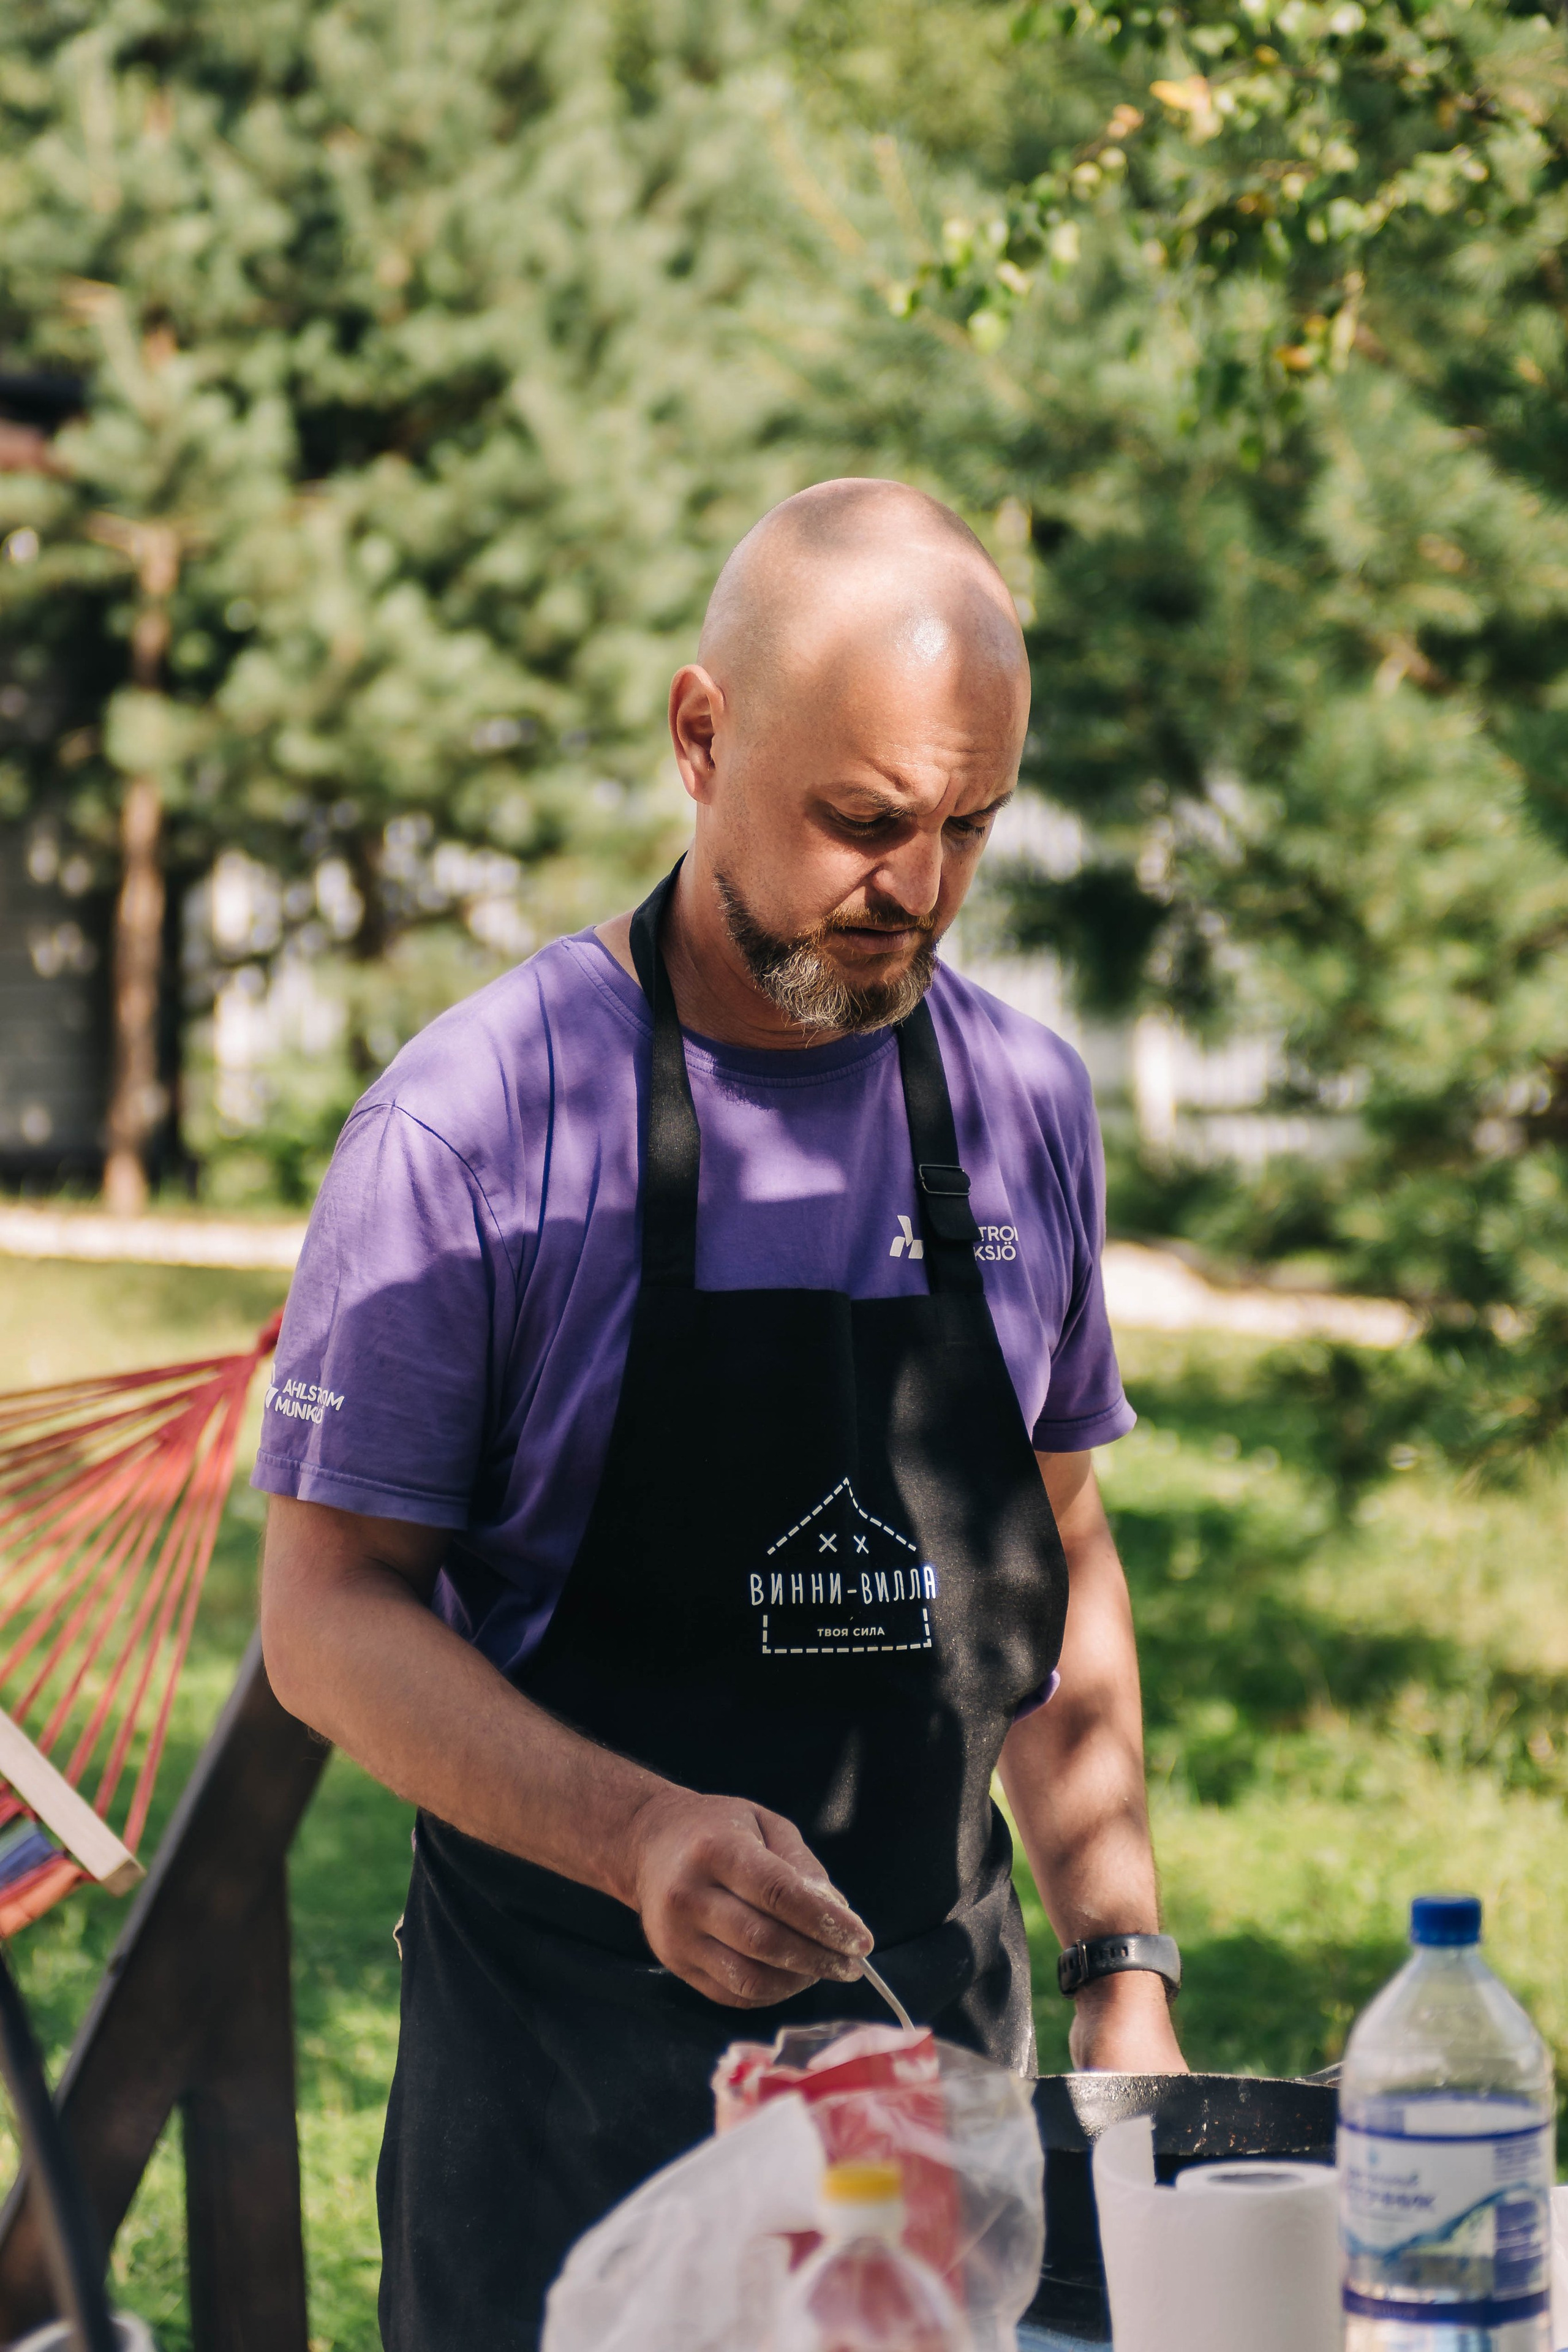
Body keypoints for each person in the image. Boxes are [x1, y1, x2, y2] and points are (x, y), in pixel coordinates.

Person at [258, 477, 1186, 2351]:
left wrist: (1122, 1965)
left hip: (935, 2089)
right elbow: (326, 1613)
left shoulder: (1022, 1102)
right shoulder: (476, 1124)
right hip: (567, 2097)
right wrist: (638, 1835)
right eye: (863, 822)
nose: (917, 890)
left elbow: (1062, 1550)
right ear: (701, 735)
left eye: (969, 829)